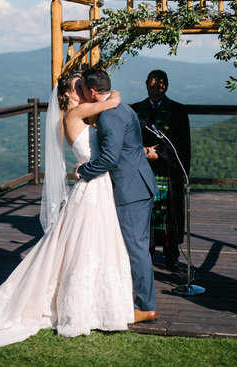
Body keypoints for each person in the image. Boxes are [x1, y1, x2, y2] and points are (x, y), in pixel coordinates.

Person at [0, 74, 134, 346]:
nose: (83, 90)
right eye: (78, 87)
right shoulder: (77, 112)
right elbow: (112, 99)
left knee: (91, 244)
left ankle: (95, 304)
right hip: (92, 186)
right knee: (87, 245)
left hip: (93, 185)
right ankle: (85, 307)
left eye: (84, 86)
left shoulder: (74, 114)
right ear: (69, 94)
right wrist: (112, 94)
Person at [76, 68, 159, 324]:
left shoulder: (109, 116)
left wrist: (83, 171)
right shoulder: (122, 106)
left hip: (130, 189)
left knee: (136, 249)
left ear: (91, 92)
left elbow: (110, 158)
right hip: (140, 183)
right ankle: (138, 298)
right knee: (138, 246)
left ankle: (146, 307)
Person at [131, 69, 191, 270]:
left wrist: (161, 155)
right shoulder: (136, 110)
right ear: (146, 86)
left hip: (168, 169)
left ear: (166, 86)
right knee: (145, 213)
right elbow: (129, 140)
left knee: (170, 213)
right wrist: (144, 153)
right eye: (152, 87)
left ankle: (171, 254)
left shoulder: (178, 111)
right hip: (143, 169)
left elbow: (181, 143)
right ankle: (145, 253)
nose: (156, 91)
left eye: (160, 87)